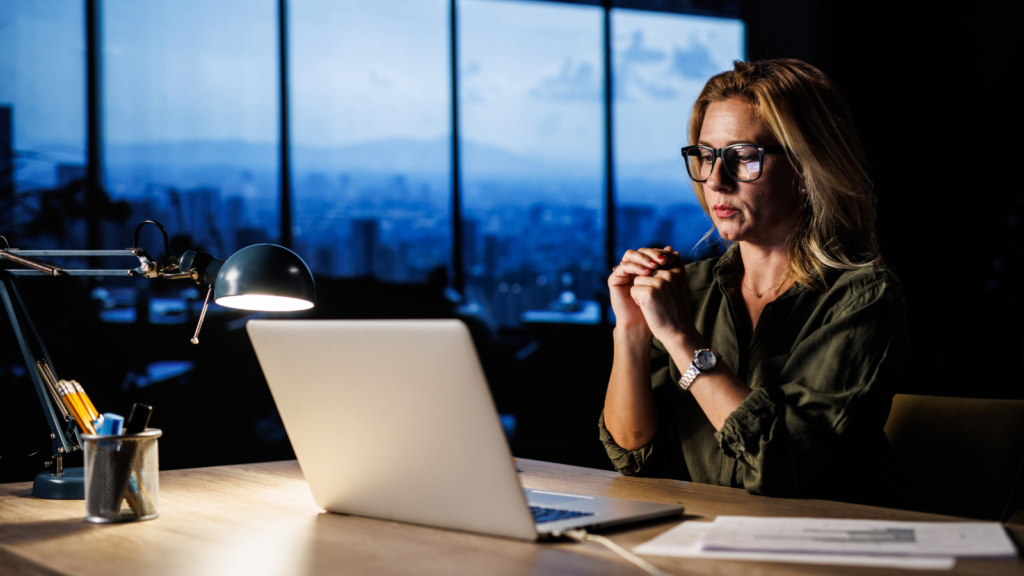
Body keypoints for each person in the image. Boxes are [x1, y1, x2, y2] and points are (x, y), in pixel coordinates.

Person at [599, 59, 912, 509]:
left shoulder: (863, 299)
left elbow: (783, 466)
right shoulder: (688, 289)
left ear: (807, 169)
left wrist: (681, 338)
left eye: (743, 157)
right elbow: (635, 456)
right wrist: (631, 330)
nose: (715, 181)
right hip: (716, 538)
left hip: (833, 546)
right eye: (706, 156)